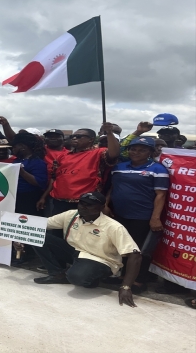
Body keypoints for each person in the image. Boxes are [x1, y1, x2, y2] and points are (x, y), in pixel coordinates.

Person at [33, 192, 142, 308]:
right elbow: (40, 224)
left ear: (101, 208)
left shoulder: (113, 227)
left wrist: (125, 287)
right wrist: (19, 237)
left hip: (100, 260)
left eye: (89, 205)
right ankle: (57, 274)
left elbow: (135, 255)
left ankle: (92, 278)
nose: (83, 207)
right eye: (82, 203)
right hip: (74, 252)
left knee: (76, 277)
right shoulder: (71, 215)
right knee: (35, 235)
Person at [103, 137, 169, 293]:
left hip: (142, 216)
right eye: (133, 149)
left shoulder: (158, 169)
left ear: (151, 152)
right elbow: (112, 187)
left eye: (142, 150)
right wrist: (105, 205)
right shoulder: (119, 167)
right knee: (121, 247)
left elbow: (160, 195)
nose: (136, 152)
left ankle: (138, 281)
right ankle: (122, 277)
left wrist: (155, 218)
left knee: (139, 250)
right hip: (119, 214)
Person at [36, 123, 120, 222]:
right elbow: (54, 178)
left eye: (79, 136)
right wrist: (44, 197)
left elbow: (114, 153)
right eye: (73, 136)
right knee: (57, 232)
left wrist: (109, 133)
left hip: (85, 203)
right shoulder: (62, 156)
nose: (75, 138)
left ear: (91, 139)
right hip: (59, 202)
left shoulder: (99, 153)